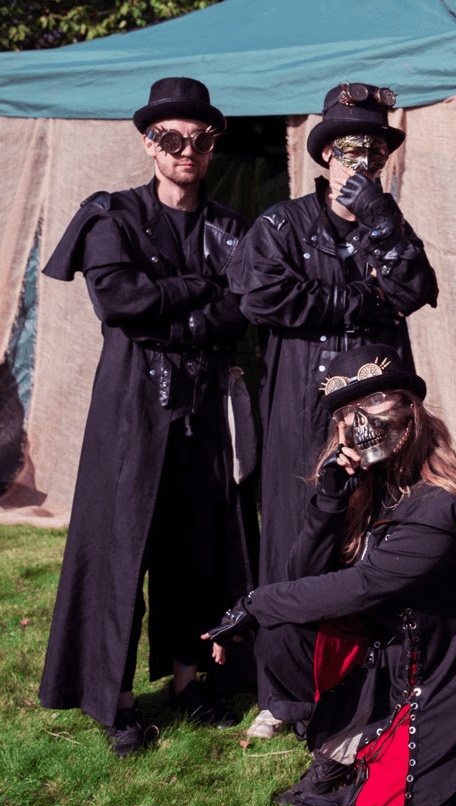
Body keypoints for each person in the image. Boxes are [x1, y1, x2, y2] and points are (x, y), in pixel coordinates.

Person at [204, 344, 456, 806]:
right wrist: (329, 501)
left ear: (411, 408)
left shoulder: (441, 502)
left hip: (448, 671)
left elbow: (363, 586)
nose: (361, 421)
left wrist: (254, 603)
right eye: (347, 412)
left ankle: (399, 752)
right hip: (386, 657)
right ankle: (343, 749)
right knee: (284, 630)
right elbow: (301, 576)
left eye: (376, 400)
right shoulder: (370, 488)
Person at [38, 77, 256, 756]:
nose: (187, 150)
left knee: (196, 544)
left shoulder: (231, 227)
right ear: (149, 143)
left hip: (202, 403)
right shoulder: (113, 216)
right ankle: (117, 698)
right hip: (132, 404)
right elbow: (119, 299)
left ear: (211, 146)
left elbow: (244, 306)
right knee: (119, 545)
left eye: (200, 140)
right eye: (172, 139)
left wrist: (178, 307)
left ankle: (190, 680)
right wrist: (196, 289)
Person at [231, 82, 437, 736]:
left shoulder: (388, 224)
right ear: (325, 154)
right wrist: (362, 301)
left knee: (376, 528)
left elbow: (417, 287)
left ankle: (372, 686)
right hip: (302, 403)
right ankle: (283, 694)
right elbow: (262, 297)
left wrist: (381, 217)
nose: (362, 163)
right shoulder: (281, 224)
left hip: (380, 402)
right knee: (295, 534)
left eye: (375, 152)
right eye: (350, 150)